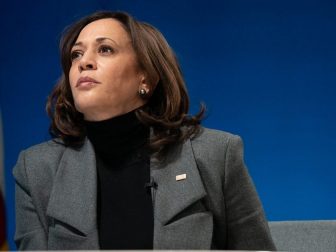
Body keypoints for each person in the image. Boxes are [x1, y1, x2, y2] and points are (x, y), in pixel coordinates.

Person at [13, 11, 276, 250]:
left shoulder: (215, 154)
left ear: (146, 78)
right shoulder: (36, 170)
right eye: (76, 55)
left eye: (105, 49)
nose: (84, 62)